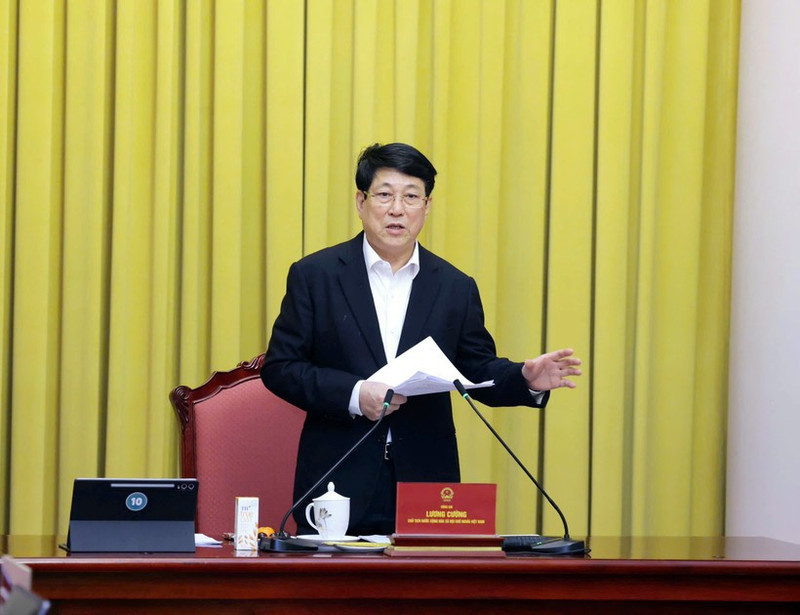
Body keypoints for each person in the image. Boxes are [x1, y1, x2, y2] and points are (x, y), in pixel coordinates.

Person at [261, 142, 582, 536]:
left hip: (429, 487)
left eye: (411, 196)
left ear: (426, 207)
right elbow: (281, 368)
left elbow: (475, 369)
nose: (397, 209)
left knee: (429, 595)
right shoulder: (316, 276)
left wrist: (525, 378)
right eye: (384, 195)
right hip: (336, 479)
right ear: (361, 202)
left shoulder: (454, 287)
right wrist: (355, 393)